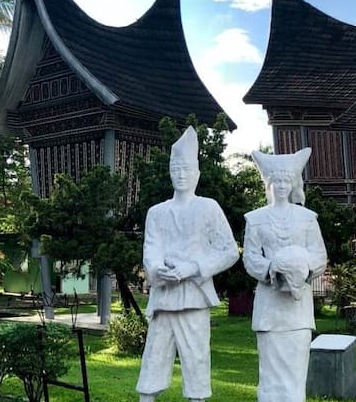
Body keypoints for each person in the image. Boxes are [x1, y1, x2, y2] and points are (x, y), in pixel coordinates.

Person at [137, 128, 240, 402]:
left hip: (194, 296)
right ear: (170, 172)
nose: (181, 175)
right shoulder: (156, 212)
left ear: (196, 173)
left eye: (186, 169)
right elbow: (151, 249)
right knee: (154, 357)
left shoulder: (208, 207)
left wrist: (193, 268)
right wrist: (159, 270)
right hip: (164, 297)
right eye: (176, 169)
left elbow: (229, 251)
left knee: (196, 359)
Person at [243, 148, 327, 402]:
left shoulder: (307, 218)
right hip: (269, 308)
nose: (281, 186)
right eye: (276, 181)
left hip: (297, 310)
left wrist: (302, 270)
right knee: (269, 373)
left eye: (286, 181)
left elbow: (319, 255)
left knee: (295, 372)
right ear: (268, 184)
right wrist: (272, 270)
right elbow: (250, 257)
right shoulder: (256, 219)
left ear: (293, 184)